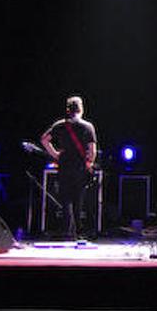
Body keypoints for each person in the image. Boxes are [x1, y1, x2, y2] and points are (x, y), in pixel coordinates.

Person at [40, 96, 97, 239]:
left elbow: (44, 139)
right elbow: (92, 150)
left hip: (64, 165)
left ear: (68, 110)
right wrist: (89, 163)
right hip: (80, 167)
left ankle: (66, 230)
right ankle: (78, 231)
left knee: (65, 199)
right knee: (78, 200)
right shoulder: (87, 126)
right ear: (81, 109)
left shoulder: (59, 125)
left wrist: (55, 154)